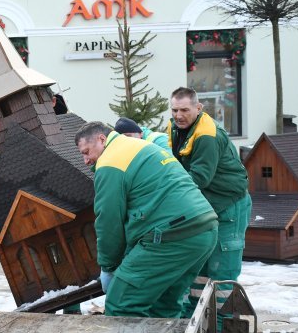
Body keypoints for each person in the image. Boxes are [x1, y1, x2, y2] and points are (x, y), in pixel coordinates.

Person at [75, 121, 218, 318]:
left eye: (86, 152)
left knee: (121, 304)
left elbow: (109, 222)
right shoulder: (142, 146)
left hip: (171, 234)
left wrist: (108, 267)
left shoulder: (110, 162)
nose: (86, 160)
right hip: (204, 229)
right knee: (163, 304)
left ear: (102, 139)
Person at [167, 87, 252, 316]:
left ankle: (221, 327)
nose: (178, 115)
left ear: (198, 108)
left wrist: (166, 197)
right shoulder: (177, 130)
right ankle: (196, 321)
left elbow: (199, 179)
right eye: (174, 110)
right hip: (207, 206)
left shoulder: (207, 135)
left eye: (184, 109)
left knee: (222, 269)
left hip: (229, 206)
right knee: (201, 266)